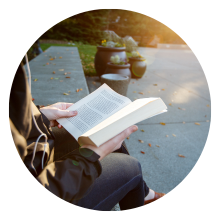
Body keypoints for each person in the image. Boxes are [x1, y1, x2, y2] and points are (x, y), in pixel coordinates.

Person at [9, 63, 165, 211]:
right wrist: (88, 156)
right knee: (132, 167)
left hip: (33, 153)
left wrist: (40, 116)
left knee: (102, 134)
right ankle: (140, 192)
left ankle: (143, 194)